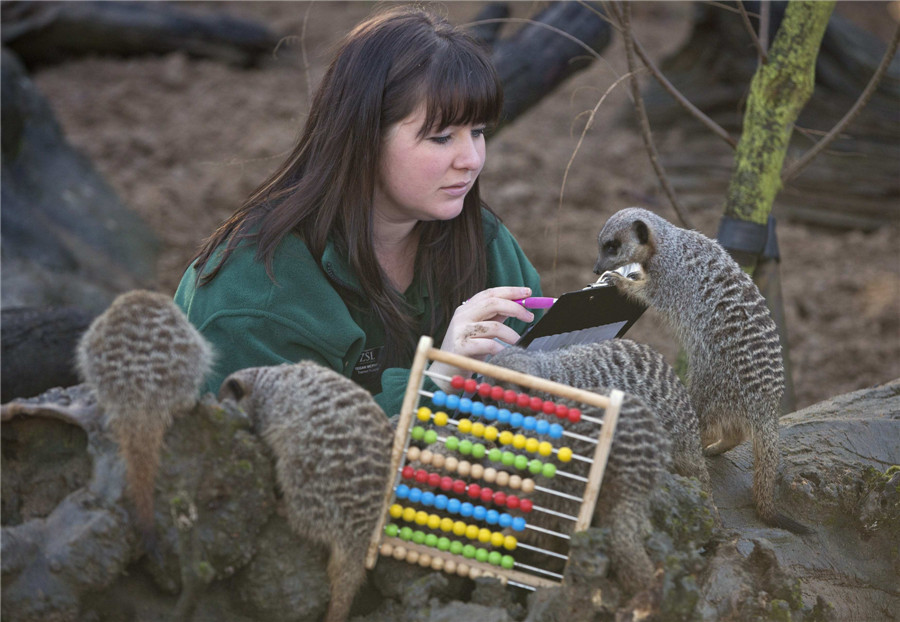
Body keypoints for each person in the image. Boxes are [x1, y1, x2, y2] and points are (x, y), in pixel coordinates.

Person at [174, 5, 542, 418]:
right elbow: (283, 460)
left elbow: (544, 383)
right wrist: (438, 377)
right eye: (441, 138)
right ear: (364, 136)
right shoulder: (258, 290)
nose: (472, 159)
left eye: (477, 132)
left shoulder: (482, 240)